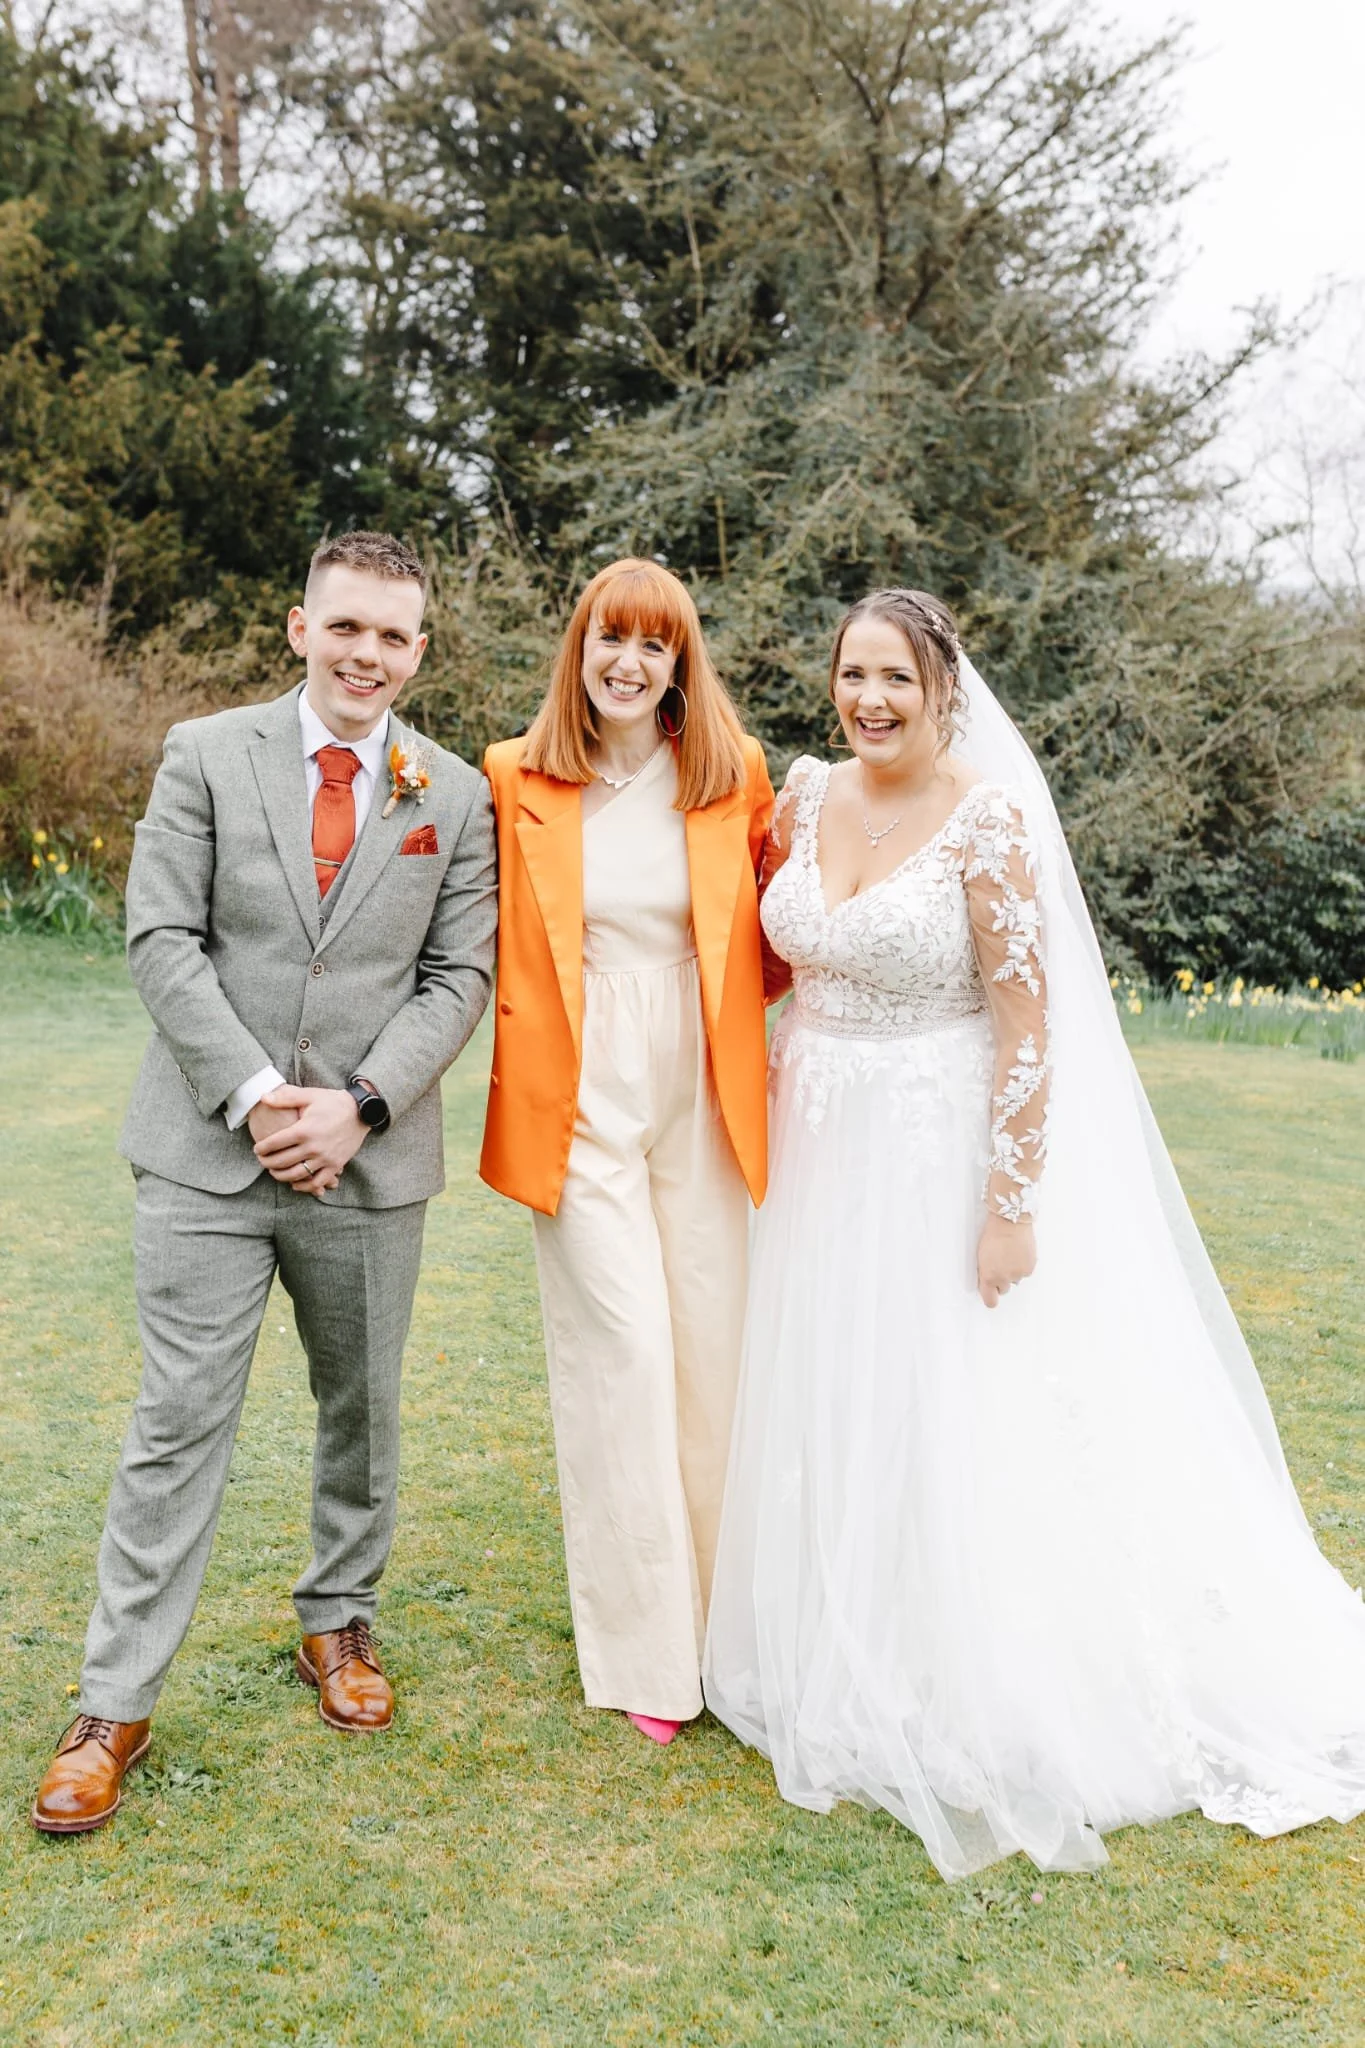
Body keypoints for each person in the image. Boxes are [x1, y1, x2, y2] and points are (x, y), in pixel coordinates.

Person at [704, 586, 1365, 1880]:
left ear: (943, 690)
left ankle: (966, 1662)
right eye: (853, 674)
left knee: (951, 1395)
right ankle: (844, 1631)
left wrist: (1008, 1205)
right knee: (840, 1384)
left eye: (896, 677)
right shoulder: (800, 797)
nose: (870, 699)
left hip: (933, 1149)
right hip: (818, 1144)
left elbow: (1026, 1025)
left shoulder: (987, 817)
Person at [31, 530, 498, 1835]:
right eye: (345, 626)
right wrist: (253, 1096)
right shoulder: (204, 753)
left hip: (369, 1160)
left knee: (362, 1408)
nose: (367, 654)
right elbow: (160, 935)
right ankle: (113, 1702)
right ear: (301, 629)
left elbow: (460, 974)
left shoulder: (454, 795)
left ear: (419, 650)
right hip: (205, 1155)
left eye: (392, 635)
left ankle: (338, 1622)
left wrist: (358, 1106)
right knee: (177, 1419)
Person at [481, 558, 774, 1746]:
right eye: (613, 637)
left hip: (701, 1086)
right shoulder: (515, 775)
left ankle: (726, 1630)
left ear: (680, 664)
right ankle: (649, 1652)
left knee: (712, 1354)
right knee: (626, 1352)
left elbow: (781, 934)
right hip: (579, 1089)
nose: (631, 662)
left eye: (657, 644)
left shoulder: (732, 773)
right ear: (581, 646)